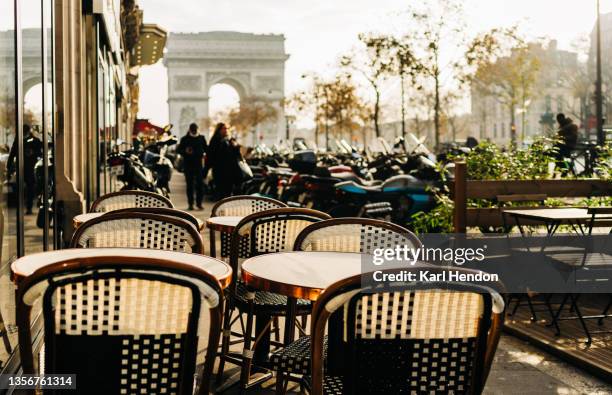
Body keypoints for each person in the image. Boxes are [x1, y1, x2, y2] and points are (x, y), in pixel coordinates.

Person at [8, 124, 43, 214]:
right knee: (20, 188)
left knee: (30, 188)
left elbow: (40, 153)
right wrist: (9, 166)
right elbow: (12, 152)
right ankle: (24, 206)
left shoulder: (34, 141)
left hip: (30, 168)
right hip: (21, 168)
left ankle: (28, 207)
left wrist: (33, 153)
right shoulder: (19, 140)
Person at [207, 122, 241, 200]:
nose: (226, 130)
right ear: (219, 130)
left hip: (229, 171)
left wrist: (235, 147)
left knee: (228, 193)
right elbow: (212, 154)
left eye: (226, 129)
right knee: (221, 193)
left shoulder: (228, 140)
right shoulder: (215, 140)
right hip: (220, 171)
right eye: (224, 128)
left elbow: (233, 154)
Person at [177, 123, 207, 210]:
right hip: (188, 165)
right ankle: (190, 204)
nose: (194, 131)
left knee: (200, 185)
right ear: (190, 130)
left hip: (199, 165)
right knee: (189, 185)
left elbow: (206, 149)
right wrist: (185, 151)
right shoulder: (184, 139)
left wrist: (203, 154)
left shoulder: (201, 138)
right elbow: (179, 150)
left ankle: (199, 203)